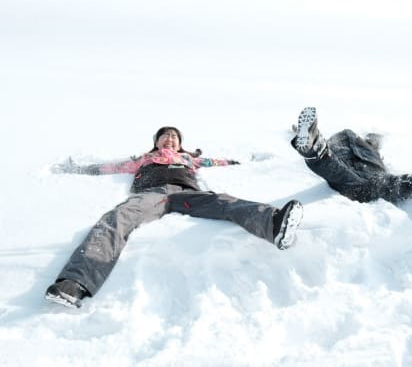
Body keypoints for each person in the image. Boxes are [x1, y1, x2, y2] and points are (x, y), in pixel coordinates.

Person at [45, 126, 303, 308]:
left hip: (187, 194)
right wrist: (77, 168)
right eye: (164, 136)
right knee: (116, 219)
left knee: (224, 201)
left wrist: (246, 161)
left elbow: (221, 162)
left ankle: (273, 224)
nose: (169, 140)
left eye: (174, 137)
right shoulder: (143, 159)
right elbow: (107, 167)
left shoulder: (189, 159)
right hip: (151, 195)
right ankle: (75, 283)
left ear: (180, 144)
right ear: (156, 142)